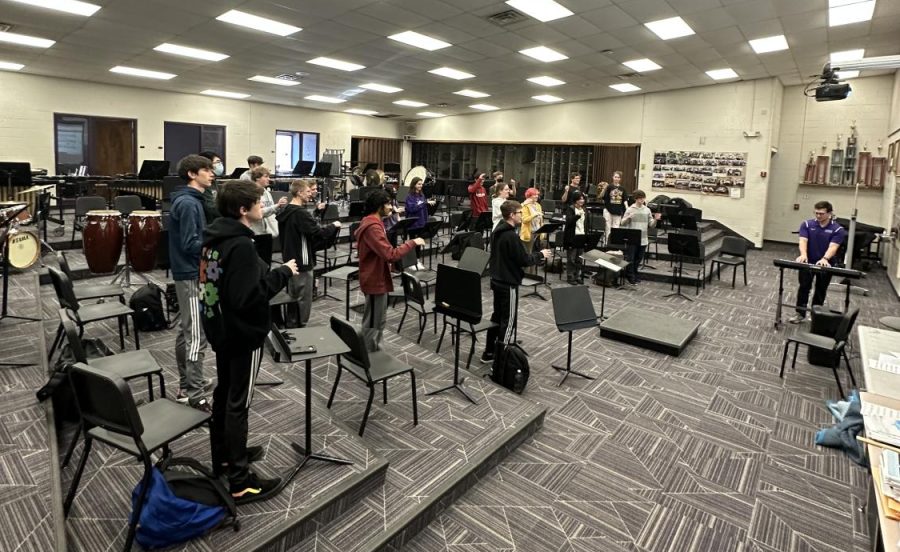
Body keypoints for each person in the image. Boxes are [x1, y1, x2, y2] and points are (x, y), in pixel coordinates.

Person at [199, 179, 298, 504]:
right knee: (237, 404)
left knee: (225, 394)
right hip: (240, 333)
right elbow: (248, 297)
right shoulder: (241, 245)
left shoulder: (215, 238)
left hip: (221, 330)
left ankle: (225, 459)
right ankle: (240, 482)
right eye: (258, 202)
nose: (262, 205)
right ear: (243, 210)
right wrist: (281, 273)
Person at [481, 200, 551, 363]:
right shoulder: (511, 236)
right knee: (508, 320)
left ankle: (489, 352)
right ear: (512, 215)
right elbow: (524, 259)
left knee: (496, 317)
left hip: (497, 279)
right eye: (520, 213)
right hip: (508, 283)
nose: (522, 215)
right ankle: (501, 358)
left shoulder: (498, 229)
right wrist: (540, 255)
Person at [355, 189, 425, 351]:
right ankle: (368, 355)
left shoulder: (374, 222)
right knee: (373, 322)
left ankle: (373, 350)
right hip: (373, 279)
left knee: (378, 319)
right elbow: (390, 254)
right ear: (379, 206)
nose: (390, 207)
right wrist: (412, 242)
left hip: (376, 277)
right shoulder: (373, 226)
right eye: (387, 204)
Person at [169, 154, 213, 410]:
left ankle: (187, 384)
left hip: (189, 273)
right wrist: (214, 244)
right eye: (206, 170)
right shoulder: (188, 204)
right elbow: (189, 244)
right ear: (192, 174)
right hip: (189, 274)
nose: (212, 174)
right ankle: (194, 395)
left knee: (186, 332)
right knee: (196, 336)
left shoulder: (192, 200)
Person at [277, 179, 341, 327]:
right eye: (307, 192)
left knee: (293, 296)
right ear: (299, 192)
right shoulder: (300, 213)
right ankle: (300, 328)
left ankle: (292, 325)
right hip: (302, 261)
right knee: (304, 299)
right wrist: (334, 225)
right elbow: (319, 232)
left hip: (289, 259)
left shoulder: (286, 210)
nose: (310, 195)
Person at [790, 201, 846, 323]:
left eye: (821, 213)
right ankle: (800, 313)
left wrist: (825, 259)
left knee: (821, 289)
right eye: (816, 213)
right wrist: (803, 255)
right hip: (808, 261)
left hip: (826, 263)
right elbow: (803, 241)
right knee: (804, 287)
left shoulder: (838, 229)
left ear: (829, 213)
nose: (818, 216)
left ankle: (816, 315)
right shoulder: (806, 224)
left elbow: (833, 247)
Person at [620, 190, 660, 285]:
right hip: (632, 238)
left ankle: (634, 273)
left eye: (643, 198)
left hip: (643, 238)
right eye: (640, 198)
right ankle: (630, 276)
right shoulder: (630, 209)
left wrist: (655, 219)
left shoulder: (647, 210)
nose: (642, 200)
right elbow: (622, 223)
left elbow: (651, 225)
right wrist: (629, 217)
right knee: (631, 258)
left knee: (638, 258)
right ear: (636, 198)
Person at [247, 167, 286, 238]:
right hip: (258, 234)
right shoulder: (252, 193)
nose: (269, 179)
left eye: (269, 177)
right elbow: (259, 213)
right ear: (257, 178)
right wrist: (277, 206)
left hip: (269, 233)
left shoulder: (266, 192)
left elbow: (270, 211)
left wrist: (278, 207)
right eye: (266, 176)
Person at [563, 191, 586, 285]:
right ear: (575, 200)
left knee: (579, 258)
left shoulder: (584, 209)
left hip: (582, 235)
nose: (582, 201)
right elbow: (568, 221)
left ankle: (577, 276)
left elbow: (585, 223)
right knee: (571, 258)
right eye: (580, 199)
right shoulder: (570, 209)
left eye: (583, 199)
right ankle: (570, 277)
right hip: (573, 236)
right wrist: (577, 216)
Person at [198, 151, 224, 223]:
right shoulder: (204, 184)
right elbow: (210, 207)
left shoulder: (213, 181)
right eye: (217, 162)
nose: (220, 165)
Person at [519, 187, 543, 254]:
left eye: (537, 195)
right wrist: (534, 215)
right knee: (528, 253)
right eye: (534, 195)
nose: (537, 196)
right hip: (529, 233)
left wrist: (542, 233)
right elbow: (524, 220)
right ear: (529, 196)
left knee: (535, 254)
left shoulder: (538, 205)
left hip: (538, 233)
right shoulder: (524, 206)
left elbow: (541, 220)